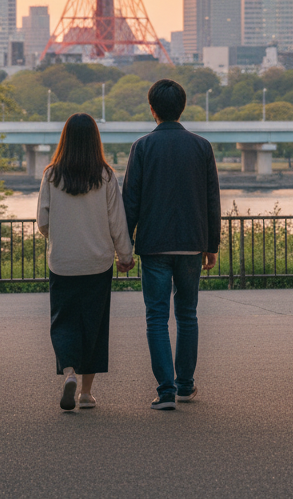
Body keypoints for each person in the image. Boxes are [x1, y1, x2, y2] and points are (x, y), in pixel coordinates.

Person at [122, 78, 221, 411]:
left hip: (154, 245)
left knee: (156, 317)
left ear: (152, 109)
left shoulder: (142, 147)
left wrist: (125, 244)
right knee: (188, 315)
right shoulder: (201, 146)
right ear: (183, 107)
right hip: (192, 243)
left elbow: (130, 201)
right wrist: (212, 244)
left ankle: (165, 391)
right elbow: (211, 199)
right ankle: (185, 386)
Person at [37, 112, 134, 412]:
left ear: (65, 138)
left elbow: (42, 221)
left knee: (63, 322)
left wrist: (61, 235)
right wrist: (125, 256)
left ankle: (69, 374)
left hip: (63, 263)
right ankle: (87, 394)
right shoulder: (105, 175)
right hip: (97, 263)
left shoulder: (51, 175)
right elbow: (117, 221)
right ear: (95, 140)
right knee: (93, 325)